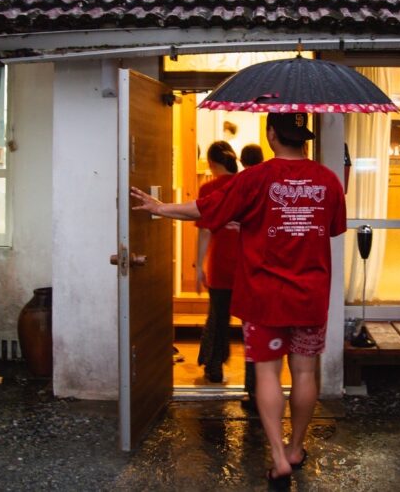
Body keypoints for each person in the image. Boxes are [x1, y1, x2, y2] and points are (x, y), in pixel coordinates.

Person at [131, 112, 346, 487]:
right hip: (310, 296)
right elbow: (333, 228)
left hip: (264, 297)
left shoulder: (254, 178)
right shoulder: (328, 180)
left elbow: (206, 210)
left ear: (272, 134)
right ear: (305, 139)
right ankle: (296, 448)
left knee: (267, 373)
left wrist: (159, 208)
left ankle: (278, 457)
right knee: (305, 373)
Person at [195, 141, 240, 383]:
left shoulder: (209, 189)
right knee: (252, 322)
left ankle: (214, 366)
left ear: (212, 163)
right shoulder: (248, 184)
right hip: (248, 263)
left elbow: (204, 231)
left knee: (218, 316)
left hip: (221, 262)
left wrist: (198, 265)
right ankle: (255, 379)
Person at [237, 142, 265, 408]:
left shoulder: (244, 182)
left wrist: (161, 209)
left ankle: (253, 391)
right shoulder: (274, 181)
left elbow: (209, 210)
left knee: (254, 338)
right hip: (277, 277)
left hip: (248, 270)